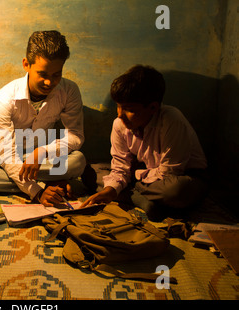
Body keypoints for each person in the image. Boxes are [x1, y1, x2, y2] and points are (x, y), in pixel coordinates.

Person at [0, 30, 91, 206]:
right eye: (43, 74)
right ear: (26, 64)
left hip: (41, 157)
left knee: (78, 161)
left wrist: (43, 152)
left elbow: (76, 135)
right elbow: (6, 155)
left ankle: (14, 182)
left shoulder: (69, 90)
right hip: (5, 154)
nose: (49, 82)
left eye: (56, 74)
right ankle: (47, 183)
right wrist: (37, 191)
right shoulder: (5, 98)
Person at [81, 65, 209, 220]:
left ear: (153, 107)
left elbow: (169, 172)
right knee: (89, 171)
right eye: (118, 106)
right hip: (145, 174)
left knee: (176, 191)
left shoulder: (172, 120)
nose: (120, 114)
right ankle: (142, 200)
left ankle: (129, 194)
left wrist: (131, 177)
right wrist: (112, 187)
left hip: (180, 177)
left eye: (129, 109)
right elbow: (120, 164)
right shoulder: (119, 123)